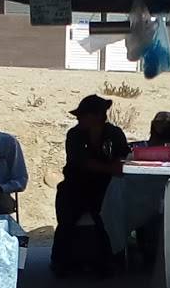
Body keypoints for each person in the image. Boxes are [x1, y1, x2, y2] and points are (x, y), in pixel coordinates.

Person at [51, 94, 129, 276]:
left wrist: (109, 168)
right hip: (76, 184)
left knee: (108, 216)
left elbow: (123, 160)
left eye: (82, 116)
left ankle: (108, 260)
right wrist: (109, 167)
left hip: (104, 185)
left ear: (94, 116)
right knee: (67, 216)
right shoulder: (74, 135)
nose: (78, 120)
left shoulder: (115, 134)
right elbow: (81, 163)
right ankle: (61, 261)